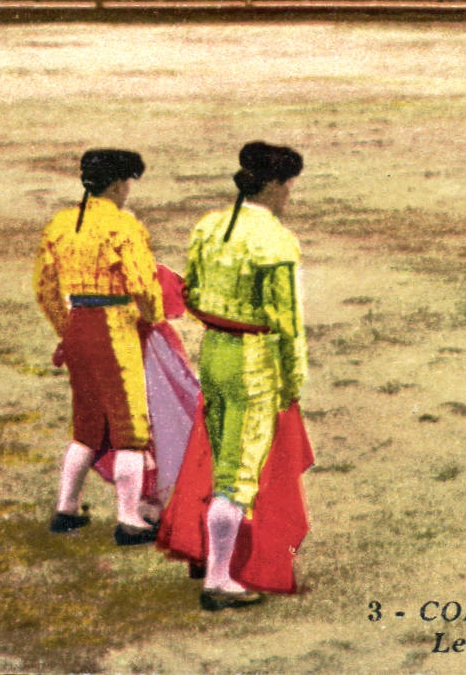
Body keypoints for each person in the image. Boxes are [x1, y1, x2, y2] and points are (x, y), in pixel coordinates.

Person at [180, 142, 310, 611]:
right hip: (254, 361)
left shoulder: (209, 226)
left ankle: (214, 557)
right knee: (237, 473)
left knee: (220, 460)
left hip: (213, 351)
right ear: (274, 185)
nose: (290, 194)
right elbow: (288, 323)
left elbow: (190, 291)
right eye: (289, 184)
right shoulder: (276, 241)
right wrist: (292, 381)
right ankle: (219, 579)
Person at [32, 149, 167, 545]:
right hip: (114, 328)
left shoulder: (60, 223)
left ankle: (66, 508)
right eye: (127, 183)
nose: (128, 191)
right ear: (115, 184)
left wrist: (66, 329)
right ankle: (129, 520)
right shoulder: (122, 226)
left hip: (78, 325)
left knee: (87, 425)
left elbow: (44, 288)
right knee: (129, 427)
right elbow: (143, 286)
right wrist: (153, 316)